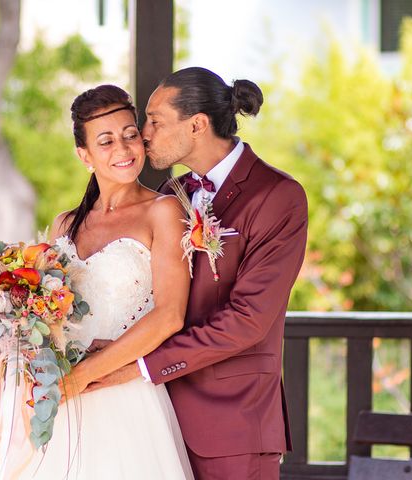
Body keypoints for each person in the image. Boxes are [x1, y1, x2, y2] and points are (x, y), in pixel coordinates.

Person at [85, 67, 308, 480]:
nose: (143, 133)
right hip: (153, 423)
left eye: (155, 121)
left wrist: (139, 365)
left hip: (232, 424)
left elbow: (248, 320)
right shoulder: (173, 196)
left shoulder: (278, 196)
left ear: (197, 125)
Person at [0, 85, 194, 479]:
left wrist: (86, 375)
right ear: (84, 155)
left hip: (121, 395)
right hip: (58, 394)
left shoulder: (164, 211)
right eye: (105, 141)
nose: (123, 150)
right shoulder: (65, 223)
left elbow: (170, 315)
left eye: (129, 134)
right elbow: (50, 313)